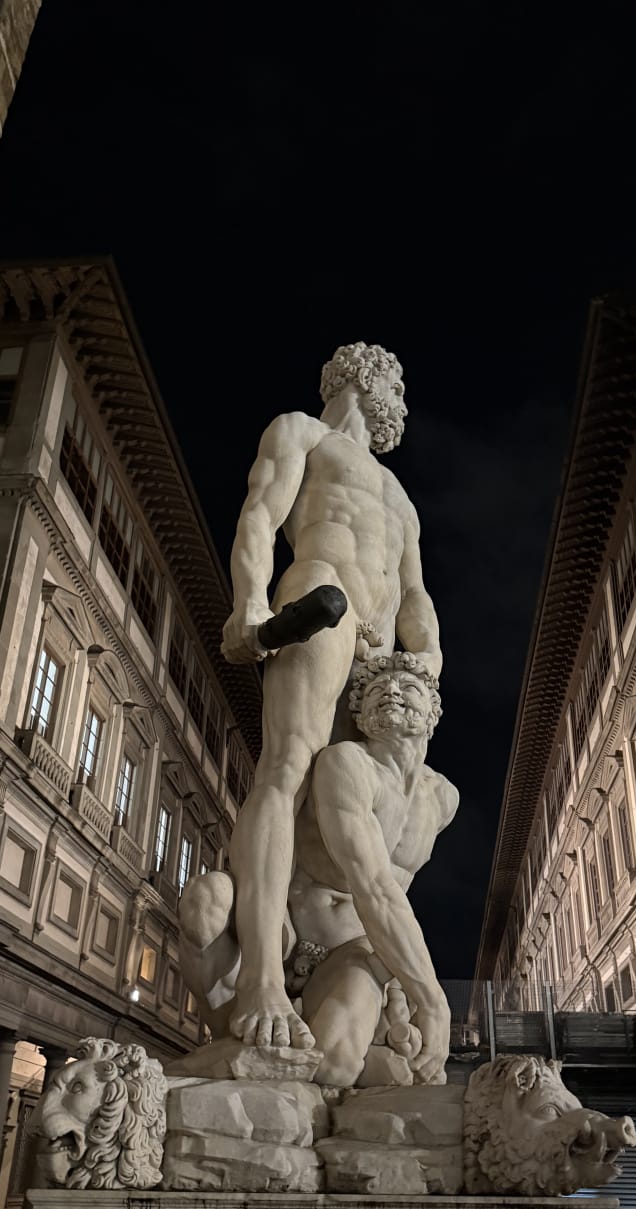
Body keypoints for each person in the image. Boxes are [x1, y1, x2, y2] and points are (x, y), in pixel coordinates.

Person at [221, 343, 442, 1051]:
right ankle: (259, 977)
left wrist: (427, 660)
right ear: (353, 382)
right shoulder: (302, 432)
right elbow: (259, 516)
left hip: (380, 654)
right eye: (383, 379)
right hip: (320, 596)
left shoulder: (403, 500)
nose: (386, 391)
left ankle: (348, 975)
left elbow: (415, 596)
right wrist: (250, 606)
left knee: (362, 813)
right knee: (285, 768)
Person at [178, 652, 457, 1085]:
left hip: (352, 948)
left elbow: (398, 891)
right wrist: (432, 998)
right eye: (378, 691)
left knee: (333, 1066)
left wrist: (401, 982)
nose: (393, 694)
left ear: (434, 712)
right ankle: (232, 1041)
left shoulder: (442, 799)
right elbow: (375, 887)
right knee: (206, 899)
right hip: (285, 933)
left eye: (410, 688)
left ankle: (365, 1059)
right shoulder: (346, 763)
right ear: (360, 715)